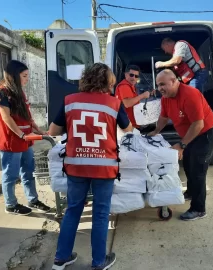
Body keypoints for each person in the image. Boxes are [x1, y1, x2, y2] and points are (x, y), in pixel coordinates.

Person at [48, 63, 133, 270]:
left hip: (76, 166)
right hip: (104, 167)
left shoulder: (69, 101)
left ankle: (61, 258)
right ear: (107, 83)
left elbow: (53, 130)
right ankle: (98, 262)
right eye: (111, 84)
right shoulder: (114, 103)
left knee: (73, 210)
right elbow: (128, 129)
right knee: (101, 213)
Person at [148, 69, 213, 221]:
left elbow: (198, 124)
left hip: (205, 132)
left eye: (163, 84)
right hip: (191, 133)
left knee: (198, 169)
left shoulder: (190, 94)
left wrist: (181, 145)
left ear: (174, 81)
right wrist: (156, 131)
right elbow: (163, 117)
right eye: (158, 85)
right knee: (187, 164)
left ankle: (199, 209)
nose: (160, 88)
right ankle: (191, 192)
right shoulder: (166, 97)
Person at [0, 60, 51, 216]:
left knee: (29, 171)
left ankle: (33, 199)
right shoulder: (2, 92)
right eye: (24, 76)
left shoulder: (19, 92)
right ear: (14, 75)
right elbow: (6, 117)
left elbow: (27, 116)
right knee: (11, 173)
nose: (27, 79)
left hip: (26, 140)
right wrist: (21, 135)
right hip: (12, 140)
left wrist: (39, 130)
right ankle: (11, 204)